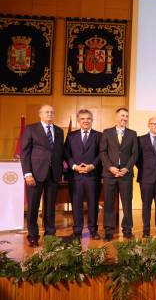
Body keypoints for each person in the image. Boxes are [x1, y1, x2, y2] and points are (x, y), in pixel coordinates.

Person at [20, 104, 64, 246]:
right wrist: (27, 174)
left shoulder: (58, 131)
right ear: (40, 114)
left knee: (50, 206)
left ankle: (50, 235)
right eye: (47, 112)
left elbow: (59, 153)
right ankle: (33, 236)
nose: (50, 114)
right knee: (33, 207)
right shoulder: (31, 129)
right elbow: (24, 153)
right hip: (35, 174)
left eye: (52, 112)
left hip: (53, 174)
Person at [99, 108, 138, 241]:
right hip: (110, 174)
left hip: (126, 174)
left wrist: (127, 168)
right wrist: (111, 167)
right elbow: (103, 152)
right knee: (109, 203)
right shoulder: (107, 132)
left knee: (127, 203)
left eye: (126, 116)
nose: (124, 118)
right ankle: (109, 231)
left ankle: (127, 230)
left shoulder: (133, 134)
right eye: (122, 115)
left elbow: (135, 154)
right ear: (116, 117)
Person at [64, 109, 102, 239]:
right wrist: (74, 166)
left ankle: (93, 230)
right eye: (82, 119)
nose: (85, 121)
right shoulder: (71, 136)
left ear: (92, 120)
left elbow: (101, 154)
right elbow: (66, 154)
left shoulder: (99, 136)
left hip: (92, 175)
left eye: (88, 119)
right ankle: (77, 230)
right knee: (76, 203)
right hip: (75, 176)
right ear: (78, 121)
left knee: (93, 203)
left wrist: (92, 166)